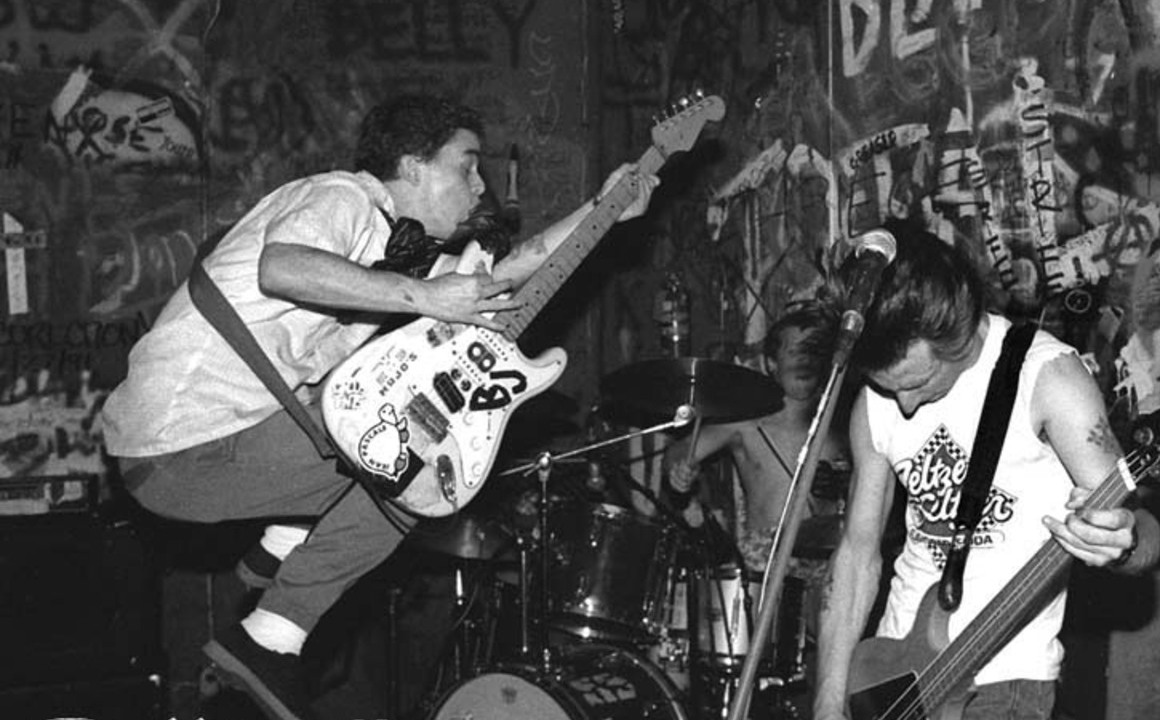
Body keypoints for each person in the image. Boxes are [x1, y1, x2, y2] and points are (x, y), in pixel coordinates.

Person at [101, 93, 658, 720]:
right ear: (414, 165)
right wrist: (425, 297)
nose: (480, 188)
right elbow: (280, 268)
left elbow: (509, 274)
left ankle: (277, 553)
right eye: (466, 165)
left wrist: (604, 211)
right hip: (178, 445)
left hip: (217, 448)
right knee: (406, 465)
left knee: (403, 436)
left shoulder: (400, 248)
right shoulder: (341, 198)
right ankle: (268, 632)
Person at [813, 221, 1160, 720]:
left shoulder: (1048, 378)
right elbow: (857, 555)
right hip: (890, 668)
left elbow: (1141, 529)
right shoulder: (877, 401)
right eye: (889, 388)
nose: (905, 404)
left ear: (956, 326)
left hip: (1003, 681)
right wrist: (828, 702)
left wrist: (1123, 539)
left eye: (921, 381)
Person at [663, 302, 851, 581]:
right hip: (766, 558)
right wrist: (678, 468)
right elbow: (680, 450)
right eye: (794, 351)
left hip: (829, 554)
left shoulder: (843, 422)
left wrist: (843, 483)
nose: (804, 361)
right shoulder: (747, 421)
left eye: (812, 352)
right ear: (772, 363)